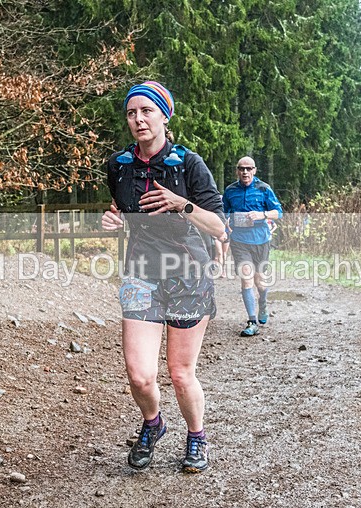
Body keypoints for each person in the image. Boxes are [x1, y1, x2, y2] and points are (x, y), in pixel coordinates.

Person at [101, 81, 227, 473]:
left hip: (189, 276)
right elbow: (122, 207)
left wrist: (182, 203)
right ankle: (154, 424)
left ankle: (196, 437)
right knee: (140, 376)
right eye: (131, 113)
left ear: (164, 115)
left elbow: (219, 225)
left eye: (146, 111)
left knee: (179, 372)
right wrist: (114, 218)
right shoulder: (119, 166)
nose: (138, 119)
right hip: (141, 276)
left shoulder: (190, 164)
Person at [222, 156, 283, 337]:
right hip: (239, 241)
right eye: (242, 169)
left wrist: (262, 215)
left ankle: (262, 304)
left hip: (261, 240)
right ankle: (252, 321)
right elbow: (223, 211)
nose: (245, 172)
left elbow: (278, 212)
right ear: (237, 171)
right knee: (246, 278)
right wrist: (225, 225)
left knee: (261, 281)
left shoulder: (264, 189)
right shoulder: (230, 190)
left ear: (254, 170)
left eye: (249, 169)